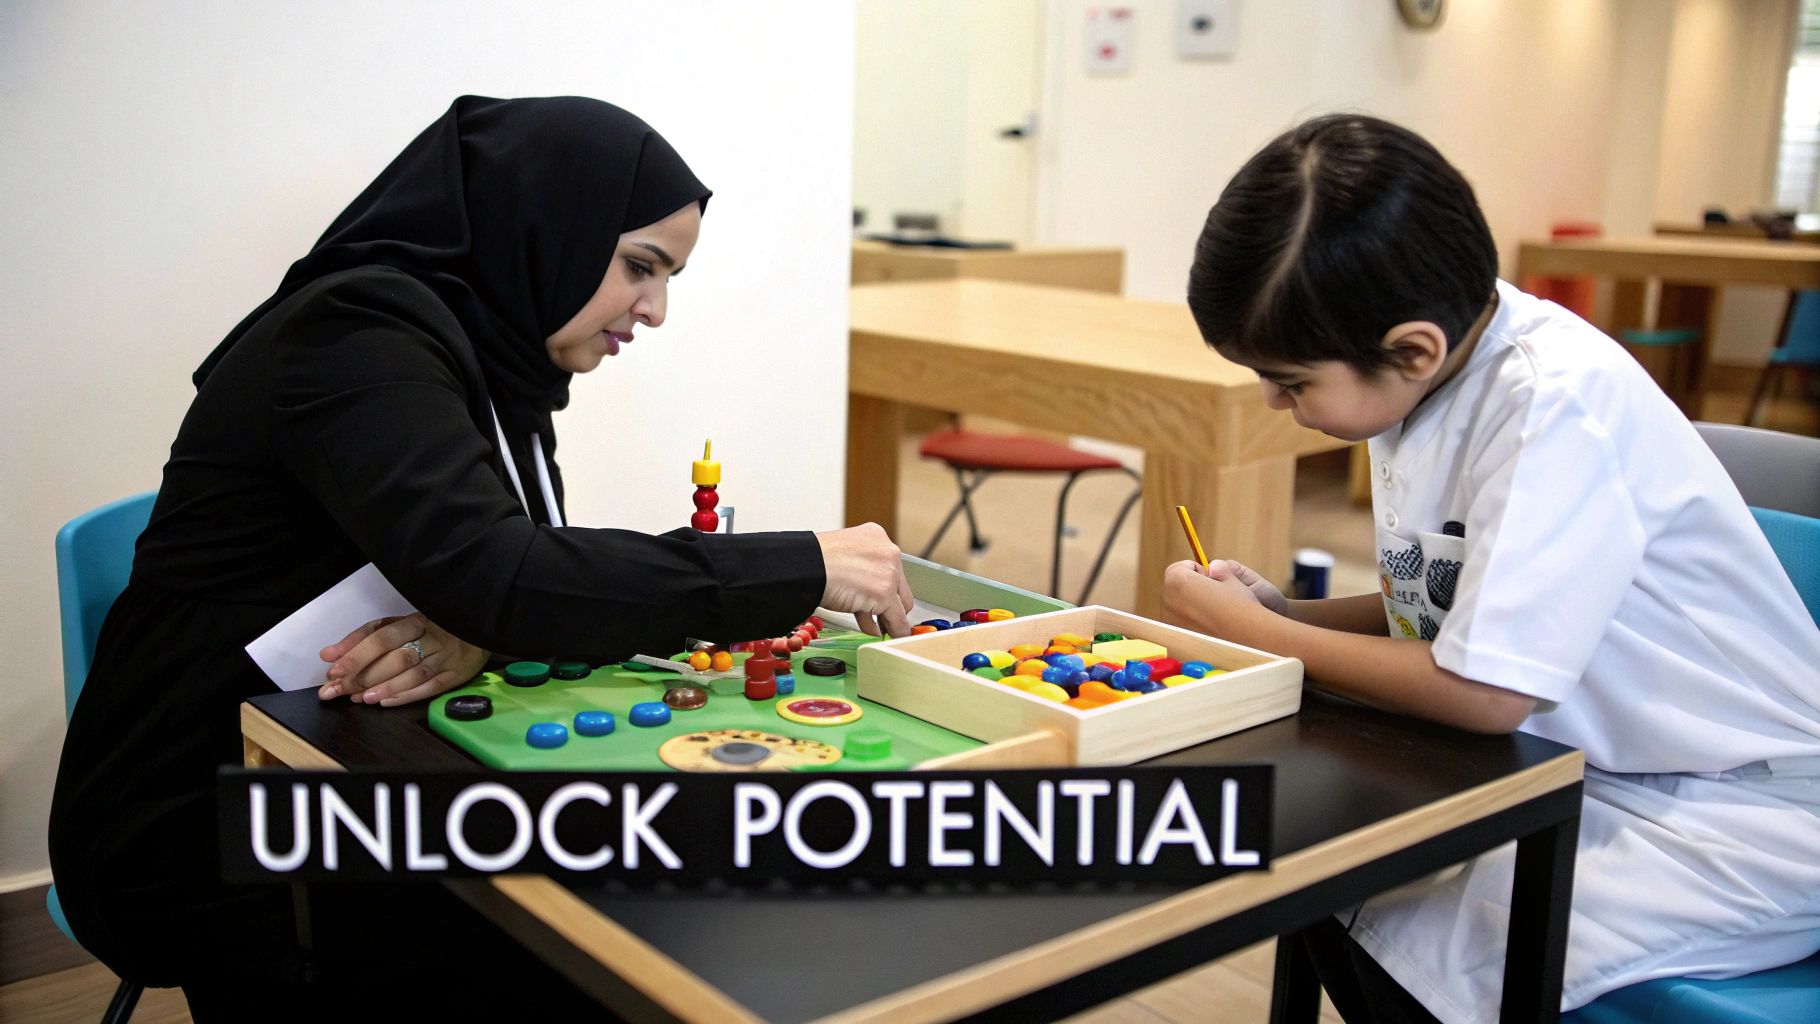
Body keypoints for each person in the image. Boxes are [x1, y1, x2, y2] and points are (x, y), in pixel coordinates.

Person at [49, 95, 914, 1014]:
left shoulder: (494, 359)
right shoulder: (359, 336)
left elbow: (501, 571)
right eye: (638, 267)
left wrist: (484, 625)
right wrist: (800, 563)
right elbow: (505, 572)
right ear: (548, 225)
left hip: (339, 759)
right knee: (590, 943)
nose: (654, 311)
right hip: (197, 813)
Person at [1163, 113, 1820, 1023]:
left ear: (1412, 348)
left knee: (1429, 952)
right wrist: (1289, 614)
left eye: (1291, 380)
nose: (1274, 401)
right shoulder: (1434, 373)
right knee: (1324, 882)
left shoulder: (1553, 407)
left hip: (1733, 809)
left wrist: (1263, 635)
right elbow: (1441, 606)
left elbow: (1483, 687)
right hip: (1574, 757)